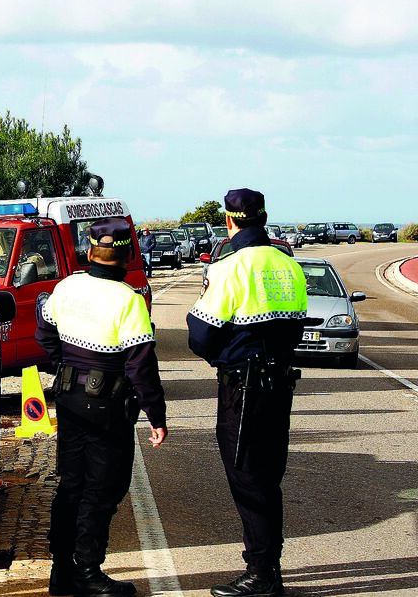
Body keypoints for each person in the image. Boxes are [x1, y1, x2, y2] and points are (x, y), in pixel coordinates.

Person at [36, 216, 168, 597]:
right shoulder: (129, 300)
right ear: (126, 256)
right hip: (108, 407)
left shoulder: (67, 286)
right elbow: (140, 363)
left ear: (90, 250)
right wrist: (155, 415)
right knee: (102, 489)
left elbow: (44, 333)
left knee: (71, 486)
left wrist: (65, 365)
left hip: (69, 399)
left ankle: (61, 572)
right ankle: (88, 572)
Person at [186, 189, 307, 597]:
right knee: (268, 478)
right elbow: (295, 329)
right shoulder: (289, 266)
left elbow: (200, 336)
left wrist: (227, 356)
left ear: (229, 221)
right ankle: (270, 567)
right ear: (264, 217)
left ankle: (262, 574)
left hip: (243, 387)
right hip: (279, 386)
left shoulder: (228, 268)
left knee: (249, 480)